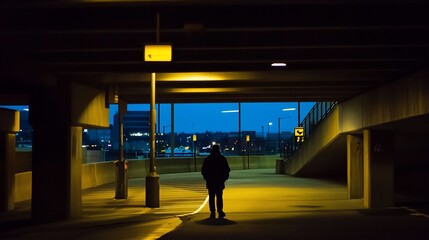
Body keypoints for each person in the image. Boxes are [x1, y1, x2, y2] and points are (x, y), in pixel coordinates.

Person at [201, 144, 230, 219]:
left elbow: (203, 170)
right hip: (219, 181)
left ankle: (212, 212)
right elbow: (227, 170)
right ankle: (220, 211)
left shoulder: (208, 159)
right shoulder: (222, 159)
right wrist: (224, 178)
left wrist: (206, 178)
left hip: (210, 181)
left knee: (211, 197)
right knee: (219, 197)